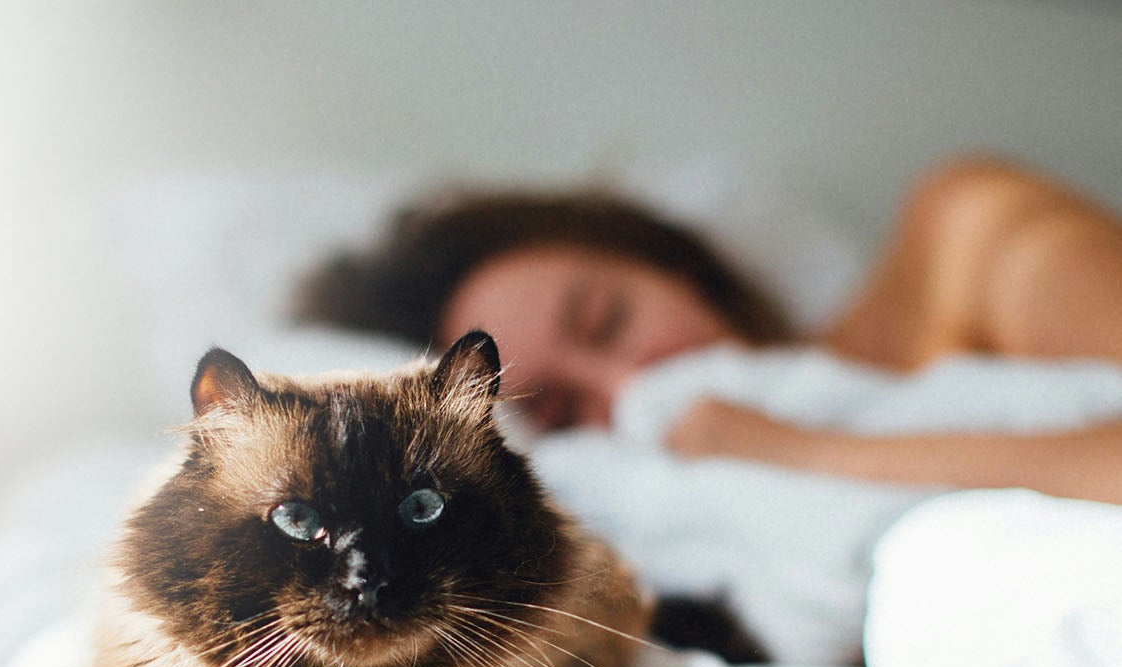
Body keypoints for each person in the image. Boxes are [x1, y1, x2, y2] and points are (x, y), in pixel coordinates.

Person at [296, 155, 1122, 506]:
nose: (629, 387)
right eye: (567, 413)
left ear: (671, 261)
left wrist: (794, 449)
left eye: (607, 318)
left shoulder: (966, 239)